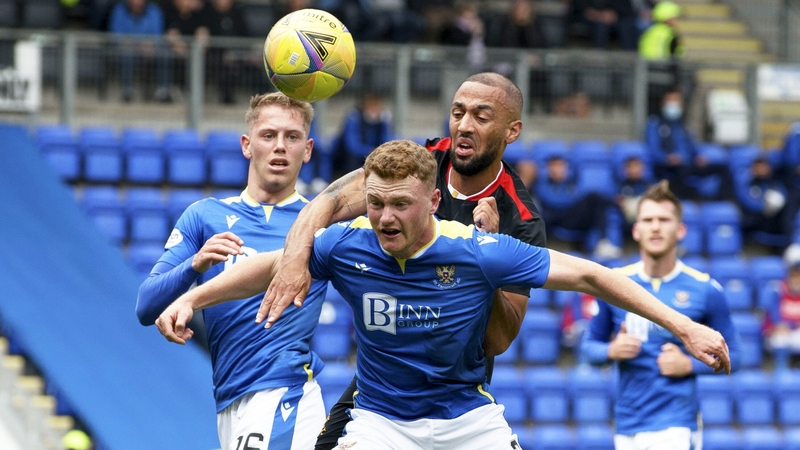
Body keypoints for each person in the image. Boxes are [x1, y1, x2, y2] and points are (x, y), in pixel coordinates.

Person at [156, 140, 731, 450]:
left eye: (399, 204)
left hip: (465, 419)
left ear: (432, 202)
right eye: (375, 202)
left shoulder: (479, 250)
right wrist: (193, 299)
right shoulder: (348, 245)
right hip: (380, 422)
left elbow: (592, 276)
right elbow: (269, 265)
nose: (383, 216)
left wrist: (685, 326)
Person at [270, 72, 546, 449]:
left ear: (511, 131)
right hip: (383, 386)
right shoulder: (418, 167)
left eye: (481, 117)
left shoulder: (521, 219)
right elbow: (329, 201)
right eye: (457, 112)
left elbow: (497, 341)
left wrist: (491, 252)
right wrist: (293, 260)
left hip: (456, 391)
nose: (464, 125)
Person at [135, 92, 328, 450]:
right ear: (246, 144)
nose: (280, 147)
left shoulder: (321, 225)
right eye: (268, 135)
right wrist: (194, 266)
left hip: (282, 390)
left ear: (308, 149)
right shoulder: (204, 216)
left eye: (293, 137)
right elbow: (147, 306)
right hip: (230, 397)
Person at [581, 180, 741, 450]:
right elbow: (587, 350)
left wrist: (689, 365)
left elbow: (734, 357)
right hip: (627, 424)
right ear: (636, 230)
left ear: (680, 230)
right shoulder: (614, 285)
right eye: (648, 219)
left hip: (676, 424)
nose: (655, 226)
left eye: (664, 219)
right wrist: (612, 351)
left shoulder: (705, 289)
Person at [645, 88, 731, 200]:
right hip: (668, 167)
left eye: (677, 101)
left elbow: (693, 147)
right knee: (681, 171)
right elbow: (653, 150)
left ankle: (719, 201)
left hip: (688, 165)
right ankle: (685, 200)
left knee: (723, 168)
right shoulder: (655, 124)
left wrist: (698, 156)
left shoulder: (684, 126)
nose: (673, 104)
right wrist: (667, 158)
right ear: (663, 103)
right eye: (670, 101)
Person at [107, 0, 169, 103]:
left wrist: (151, 44)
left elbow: (158, 34)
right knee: (127, 54)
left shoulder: (154, 11)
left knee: (165, 53)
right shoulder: (119, 10)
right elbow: (116, 35)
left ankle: (163, 91)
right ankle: (127, 91)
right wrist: (130, 44)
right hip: (127, 48)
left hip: (149, 49)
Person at [332, 92, 393, 178]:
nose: (374, 110)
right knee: (353, 157)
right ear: (365, 106)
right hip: (350, 156)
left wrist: (379, 150)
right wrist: (369, 150)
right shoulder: (354, 117)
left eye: (377, 107)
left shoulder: (384, 119)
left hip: (373, 153)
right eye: (372, 106)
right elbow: (351, 145)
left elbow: (386, 139)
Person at [765, 245, 800, 370]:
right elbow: (772, 317)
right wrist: (776, 326)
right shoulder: (778, 289)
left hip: (796, 331)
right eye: (794, 275)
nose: (796, 279)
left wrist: (790, 325)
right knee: (780, 339)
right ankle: (782, 372)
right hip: (780, 332)